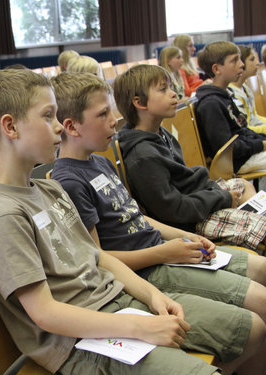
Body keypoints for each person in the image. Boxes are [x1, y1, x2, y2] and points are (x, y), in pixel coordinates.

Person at [0, 68, 266, 375]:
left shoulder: (49, 189)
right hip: (79, 343)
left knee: (253, 328)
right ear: (10, 127)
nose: (59, 127)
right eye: (48, 116)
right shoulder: (0, 215)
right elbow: (45, 314)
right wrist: (139, 326)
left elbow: (98, 257)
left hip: (118, 301)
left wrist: (153, 296)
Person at [51, 71, 266, 324]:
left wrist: (183, 238)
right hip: (147, 270)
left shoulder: (99, 161)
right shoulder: (69, 182)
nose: (114, 121)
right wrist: (166, 252)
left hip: (162, 251)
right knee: (258, 309)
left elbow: (137, 217)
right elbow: (99, 258)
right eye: (103, 114)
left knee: (262, 270)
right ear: (72, 126)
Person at [115, 64, 266, 251]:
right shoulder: (142, 156)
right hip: (189, 224)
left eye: (170, 87)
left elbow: (186, 181)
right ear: (140, 103)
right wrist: (223, 198)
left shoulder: (160, 133)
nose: (173, 93)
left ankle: (248, 232)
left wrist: (218, 194)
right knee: (262, 226)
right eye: (163, 89)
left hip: (196, 202)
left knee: (243, 185)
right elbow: (174, 210)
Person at [195, 41, 266, 177]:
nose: (241, 64)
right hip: (239, 161)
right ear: (216, 69)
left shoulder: (224, 95)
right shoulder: (211, 104)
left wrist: (261, 140)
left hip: (248, 153)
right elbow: (227, 149)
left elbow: (242, 130)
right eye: (234, 60)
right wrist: (261, 145)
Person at [229, 45, 266, 134]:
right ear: (240, 62)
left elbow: (255, 117)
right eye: (252, 59)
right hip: (252, 137)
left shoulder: (245, 88)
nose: (257, 63)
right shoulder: (234, 94)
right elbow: (246, 127)